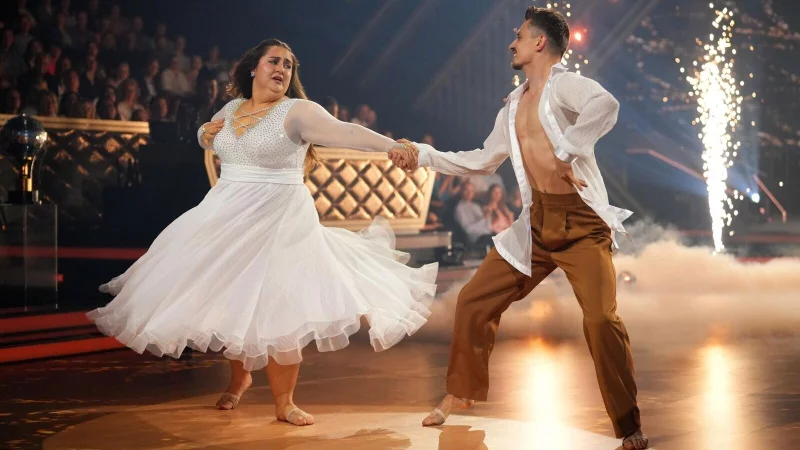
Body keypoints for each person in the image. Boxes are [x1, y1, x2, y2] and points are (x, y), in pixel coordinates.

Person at [87, 39, 434, 427]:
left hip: (282, 217)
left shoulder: (297, 111)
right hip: (229, 214)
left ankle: (284, 402)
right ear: (253, 68)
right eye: (274, 61)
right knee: (235, 299)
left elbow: (345, 132)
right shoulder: (231, 108)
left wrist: (394, 146)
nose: (282, 69)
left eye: (288, 64)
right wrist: (204, 132)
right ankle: (240, 378)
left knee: (279, 306)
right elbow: (208, 136)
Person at [393, 7, 647, 449]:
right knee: (473, 300)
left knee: (602, 319)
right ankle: (461, 391)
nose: (512, 43)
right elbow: (481, 160)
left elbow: (606, 104)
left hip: (582, 226)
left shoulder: (565, 85)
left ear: (539, 43)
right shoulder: (512, 106)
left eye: (519, 36)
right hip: (537, 225)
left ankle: (628, 425)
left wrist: (566, 151)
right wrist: (423, 153)